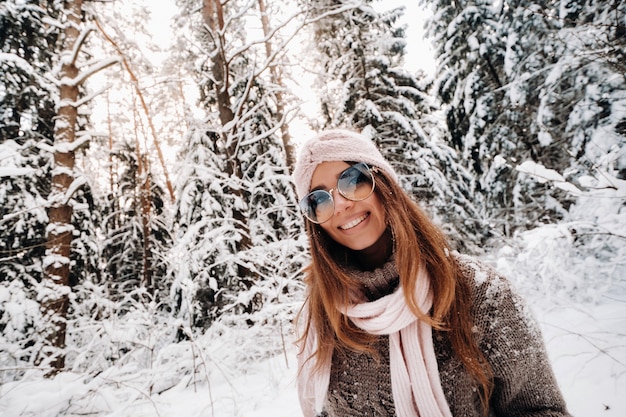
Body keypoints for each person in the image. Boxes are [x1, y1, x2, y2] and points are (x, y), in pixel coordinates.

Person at [292, 129, 571, 417]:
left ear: (384, 183)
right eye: (319, 200)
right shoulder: (324, 316)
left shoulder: (480, 294)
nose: (340, 205)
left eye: (353, 180)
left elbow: (541, 410)